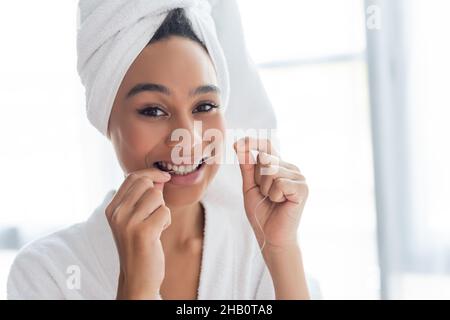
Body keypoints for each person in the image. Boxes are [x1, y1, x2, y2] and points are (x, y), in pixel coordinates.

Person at [7, 1, 310, 300]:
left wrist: (281, 250)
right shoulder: (46, 272)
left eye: (204, 106)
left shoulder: (258, 249)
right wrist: (136, 288)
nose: (187, 139)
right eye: (153, 110)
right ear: (106, 118)